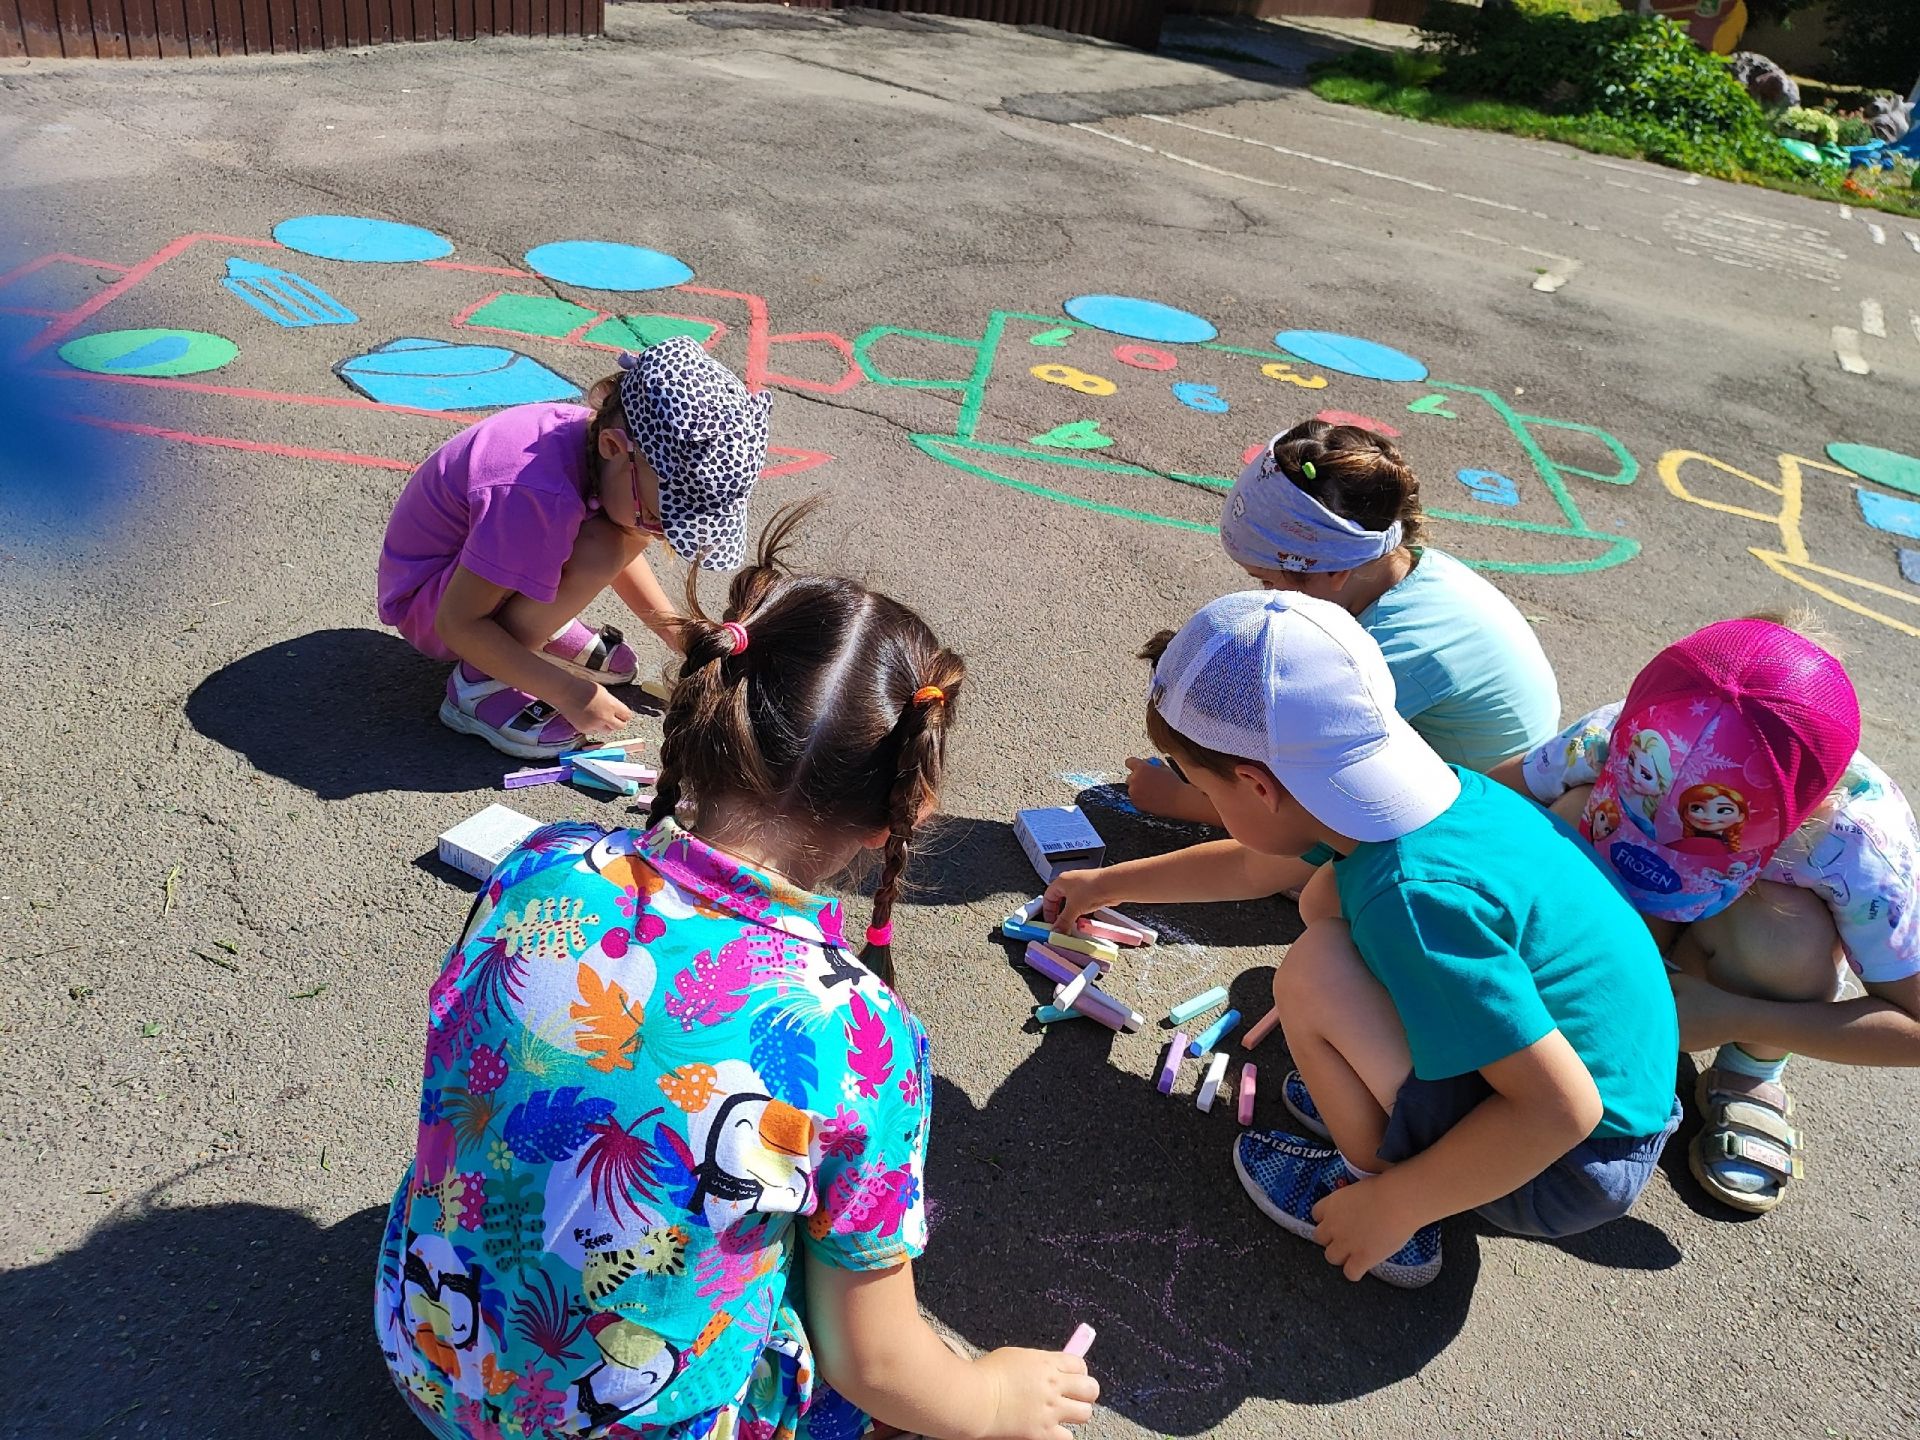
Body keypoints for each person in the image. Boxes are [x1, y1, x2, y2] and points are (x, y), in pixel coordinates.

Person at [376, 509, 1097, 1440]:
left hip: (430, 1354)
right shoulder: (861, 1038)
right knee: (861, 1320)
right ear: (899, 812)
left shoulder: (542, 865)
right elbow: (872, 1363)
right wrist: (996, 1396)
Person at [1050, 591, 1679, 1288]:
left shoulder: (1415, 896)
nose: (1216, 812)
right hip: (1620, 1090)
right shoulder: (1419, 798)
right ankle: (1403, 1114)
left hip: (1572, 1160)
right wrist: (1106, 885)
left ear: (1257, 788)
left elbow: (1564, 1109)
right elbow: (1258, 866)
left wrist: (1395, 1205)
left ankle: (1381, 1180)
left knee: (1316, 969)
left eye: (1209, 792)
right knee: (1326, 898)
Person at [1497, 614, 1920, 1214]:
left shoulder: (1857, 840)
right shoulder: (1637, 732)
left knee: (1786, 931)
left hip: (1725, 963)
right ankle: (1584, 998)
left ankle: (1750, 1067)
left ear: (1805, 815)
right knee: (1565, 815)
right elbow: (1499, 794)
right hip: (1643, 933)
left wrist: (1730, 1015)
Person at [1126, 420, 1560, 898]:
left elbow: (1294, 801)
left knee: (1311, 878)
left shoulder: (1380, 654)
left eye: (1267, 582)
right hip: (1493, 793)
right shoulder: (1410, 571)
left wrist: (1185, 798)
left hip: (1466, 834)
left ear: (1328, 573)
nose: (1262, 593)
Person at [377, 336, 771, 759]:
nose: (665, 532)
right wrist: (568, 691)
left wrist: (678, 634)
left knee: (620, 529)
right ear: (614, 448)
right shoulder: (535, 496)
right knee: (604, 543)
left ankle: (531, 621)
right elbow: (458, 624)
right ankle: (475, 688)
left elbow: (624, 543)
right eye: (665, 514)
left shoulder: (600, 443)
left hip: (476, 569)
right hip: (432, 608)